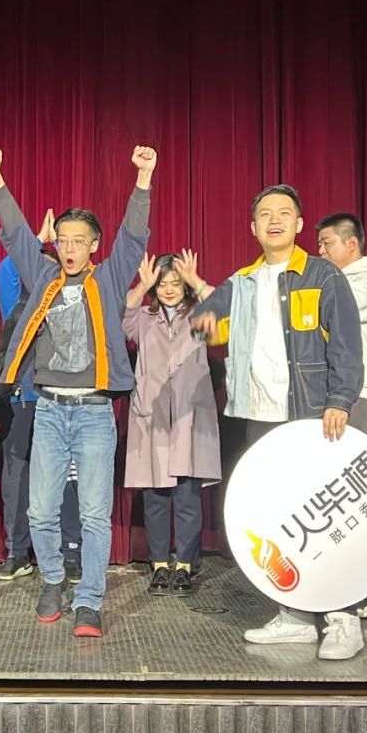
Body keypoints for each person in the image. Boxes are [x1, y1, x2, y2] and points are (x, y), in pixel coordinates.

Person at [0, 144, 156, 638]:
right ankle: (54, 579)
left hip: (95, 414)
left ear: (94, 245)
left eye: (79, 241)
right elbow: (17, 235)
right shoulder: (43, 277)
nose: (70, 248)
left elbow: (133, 237)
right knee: (40, 511)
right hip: (50, 411)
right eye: (63, 240)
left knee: (96, 515)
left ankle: (89, 600)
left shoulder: (111, 277)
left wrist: (143, 178)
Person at [191, 184, 364, 660]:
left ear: (299, 224)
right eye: (265, 214)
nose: (274, 220)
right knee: (281, 521)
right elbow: (207, 311)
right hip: (260, 419)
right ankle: (295, 615)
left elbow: (346, 344)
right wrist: (205, 320)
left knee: (325, 521)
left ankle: (343, 618)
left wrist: (340, 400)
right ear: (252, 227)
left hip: (310, 416)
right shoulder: (243, 280)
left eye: (284, 213)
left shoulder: (321, 274)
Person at [123, 251, 220, 597]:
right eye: (162, 283)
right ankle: (160, 565)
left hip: (189, 417)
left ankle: (185, 566)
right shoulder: (144, 318)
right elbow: (118, 316)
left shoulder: (198, 313)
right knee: (155, 498)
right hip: (152, 418)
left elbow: (226, 311)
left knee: (188, 497)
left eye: (175, 283)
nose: (168, 289)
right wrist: (141, 286)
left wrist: (196, 281)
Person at [0, 228, 83, 583]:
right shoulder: (20, 306)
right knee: (18, 480)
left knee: (68, 480)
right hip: (26, 402)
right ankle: (18, 552)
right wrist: (36, 240)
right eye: (36, 267)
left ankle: (71, 552)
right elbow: (8, 269)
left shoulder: (72, 301)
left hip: (65, 402)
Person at [316, 211, 367, 619]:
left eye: (327, 243)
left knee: (354, 492)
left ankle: (366, 588)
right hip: (332, 394)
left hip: (359, 392)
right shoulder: (338, 277)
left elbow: (329, 305)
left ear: (352, 243)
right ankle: (340, 579)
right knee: (332, 491)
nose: (320, 251)